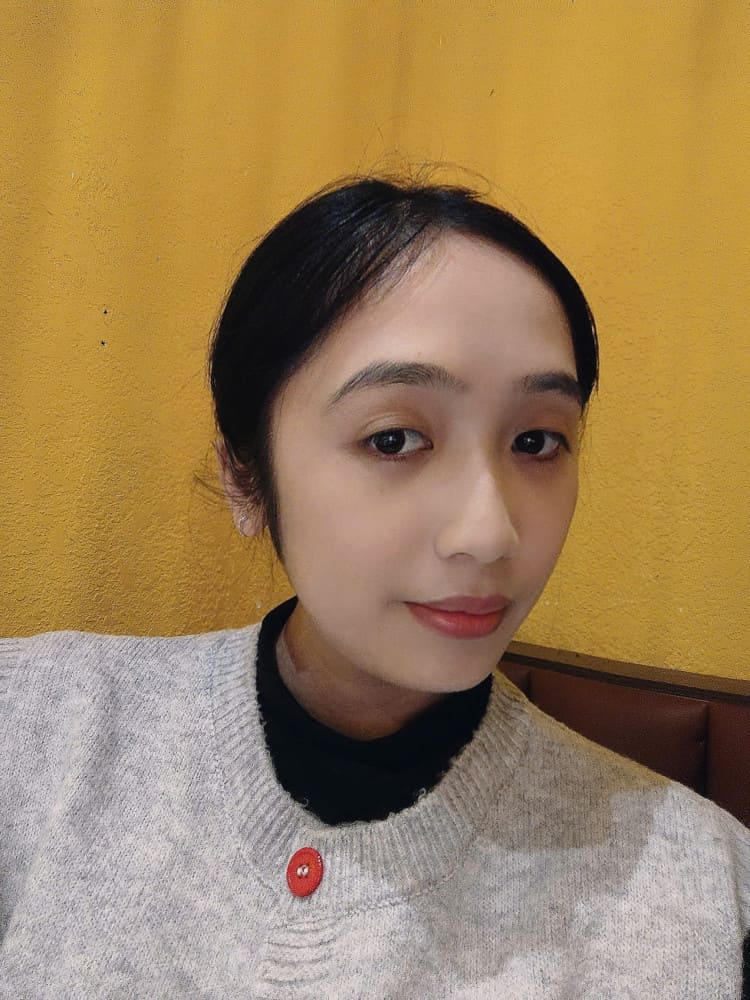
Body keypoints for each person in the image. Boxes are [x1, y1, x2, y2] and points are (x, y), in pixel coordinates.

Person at [0, 176, 747, 998]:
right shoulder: (35, 728)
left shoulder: (705, 886)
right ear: (246, 477)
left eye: (537, 441)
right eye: (394, 439)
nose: (488, 533)